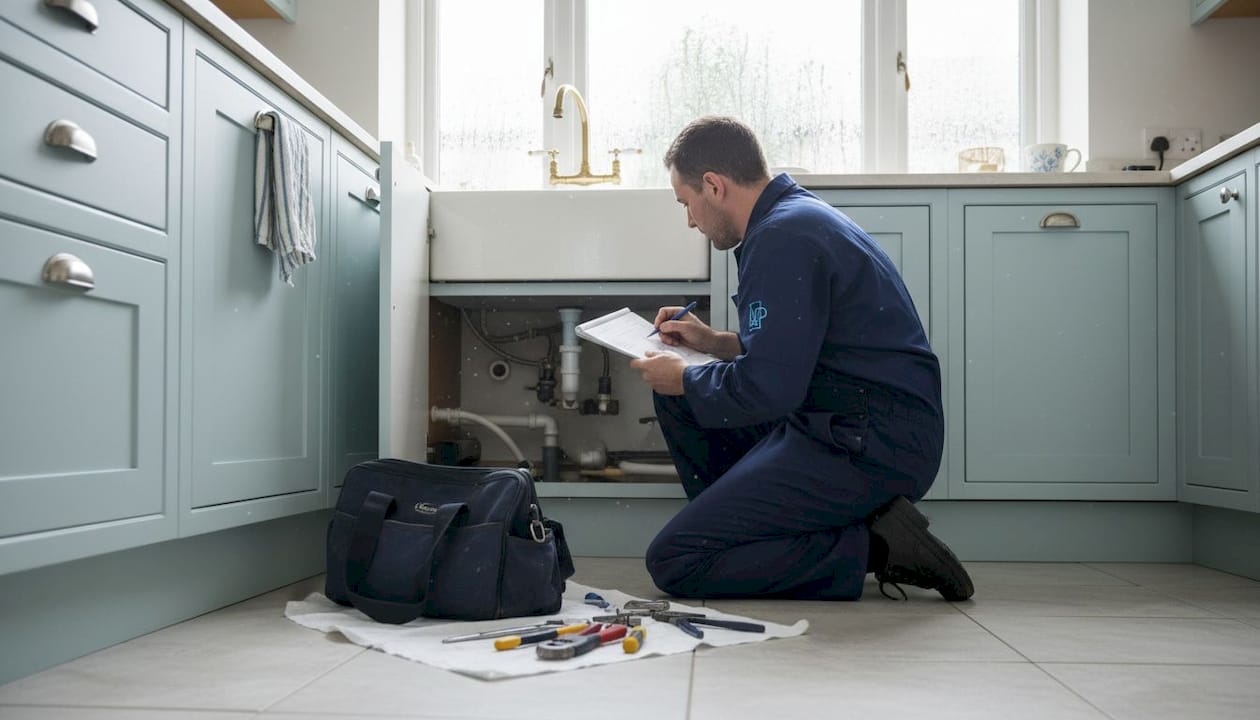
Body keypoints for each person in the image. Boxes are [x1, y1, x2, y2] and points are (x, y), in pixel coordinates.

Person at [629, 116, 974, 602]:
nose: (690, 220)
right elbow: (797, 347)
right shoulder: (792, 218)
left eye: (686, 203)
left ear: (713, 185)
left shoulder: (782, 239)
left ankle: (873, 546)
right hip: (855, 420)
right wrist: (712, 344)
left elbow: (769, 388)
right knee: (680, 401)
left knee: (677, 560)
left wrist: (685, 377)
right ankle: (743, 533)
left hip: (868, 443)